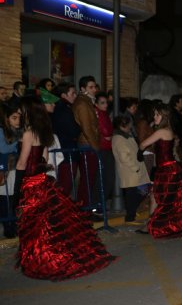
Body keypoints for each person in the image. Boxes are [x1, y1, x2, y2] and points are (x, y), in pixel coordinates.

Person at [14, 96, 116, 281]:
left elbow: (22, 162)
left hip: (31, 181)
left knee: (35, 223)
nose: (20, 113)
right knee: (48, 222)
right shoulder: (43, 131)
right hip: (42, 180)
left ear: (28, 111)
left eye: (22, 110)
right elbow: (44, 159)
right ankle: (51, 253)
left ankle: (42, 257)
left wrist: (18, 186)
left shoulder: (28, 133)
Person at [138, 103, 182, 238]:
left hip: (166, 169)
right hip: (167, 167)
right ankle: (150, 224)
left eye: (157, 114)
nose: (155, 117)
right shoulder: (166, 130)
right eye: (154, 114)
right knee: (156, 195)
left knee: (164, 198)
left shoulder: (161, 131)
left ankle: (158, 225)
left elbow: (143, 144)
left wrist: (140, 151)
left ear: (164, 116)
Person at [112, 114, 150, 225]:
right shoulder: (119, 138)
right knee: (133, 194)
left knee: (140, 191)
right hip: (131, 171)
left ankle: (132, 212)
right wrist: (136, 168)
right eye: (129, 124)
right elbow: (124, 157)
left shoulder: (126, 135)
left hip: (134, 170)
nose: (130, 126)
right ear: (123, 125)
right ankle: (130, 217)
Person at [72, 76, 100, 210]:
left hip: (88, 143)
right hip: (87, 144)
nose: (94, 89)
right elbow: (87, 127)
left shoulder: (87, 101)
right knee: (87, 179)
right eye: (91, 87)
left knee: (89, 178)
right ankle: (83, 209)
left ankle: (86, 208)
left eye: (95, 87)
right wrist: (96, 147)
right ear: (83, 89)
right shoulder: (83, 103)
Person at [50, 82, 80, 197]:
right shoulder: (63, 109)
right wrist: (78, 128)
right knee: (65, 185)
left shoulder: (63, 108)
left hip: (64, 151)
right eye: (72, 93)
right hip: (66, 152)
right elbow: (72, 129)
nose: (75, 96)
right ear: (63, 95)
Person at [0, 103, 21, 238]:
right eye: (14, 118)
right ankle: (8, 227)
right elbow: (3, 148)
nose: (18, 120)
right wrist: (18, 141)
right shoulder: (2, 130)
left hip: (13, 169)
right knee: (5, 200)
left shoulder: (18, 130)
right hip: (4, 169)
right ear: (7, 119)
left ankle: (13, 225)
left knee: (13, 199)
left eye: (19, 117)